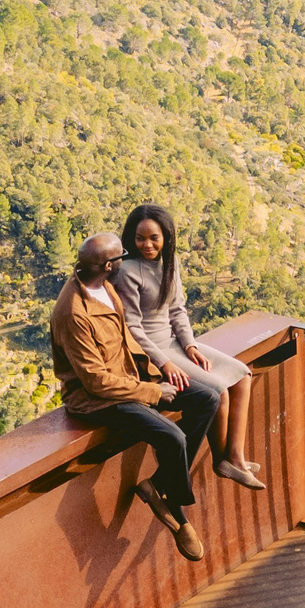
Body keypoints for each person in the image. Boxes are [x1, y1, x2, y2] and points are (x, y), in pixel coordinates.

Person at [51, 230, 218, 561]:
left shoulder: (104, 287)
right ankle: (178, 514)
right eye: (121, 257)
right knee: (172, 436)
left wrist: (160, 367)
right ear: (109, 265)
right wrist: (153, 391)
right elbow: (95, 382)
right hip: (97, 400)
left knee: (207, 399)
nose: (125, 260)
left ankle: (157, 485)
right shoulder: (73, 312)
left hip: (130, 376)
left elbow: (126, 338)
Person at [114, 203, 266, 491]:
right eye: (140, 238)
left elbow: (177, 310)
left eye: (154, 238)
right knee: (218, 391)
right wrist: (164, 362)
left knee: (242, 375)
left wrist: (190, 345)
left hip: (175, 343)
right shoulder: (128, 271)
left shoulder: (170, 263)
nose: (147, 245)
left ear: (166, 237)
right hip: (152, 351)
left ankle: (235, 456)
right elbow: (132, 328)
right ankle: (223, 460)